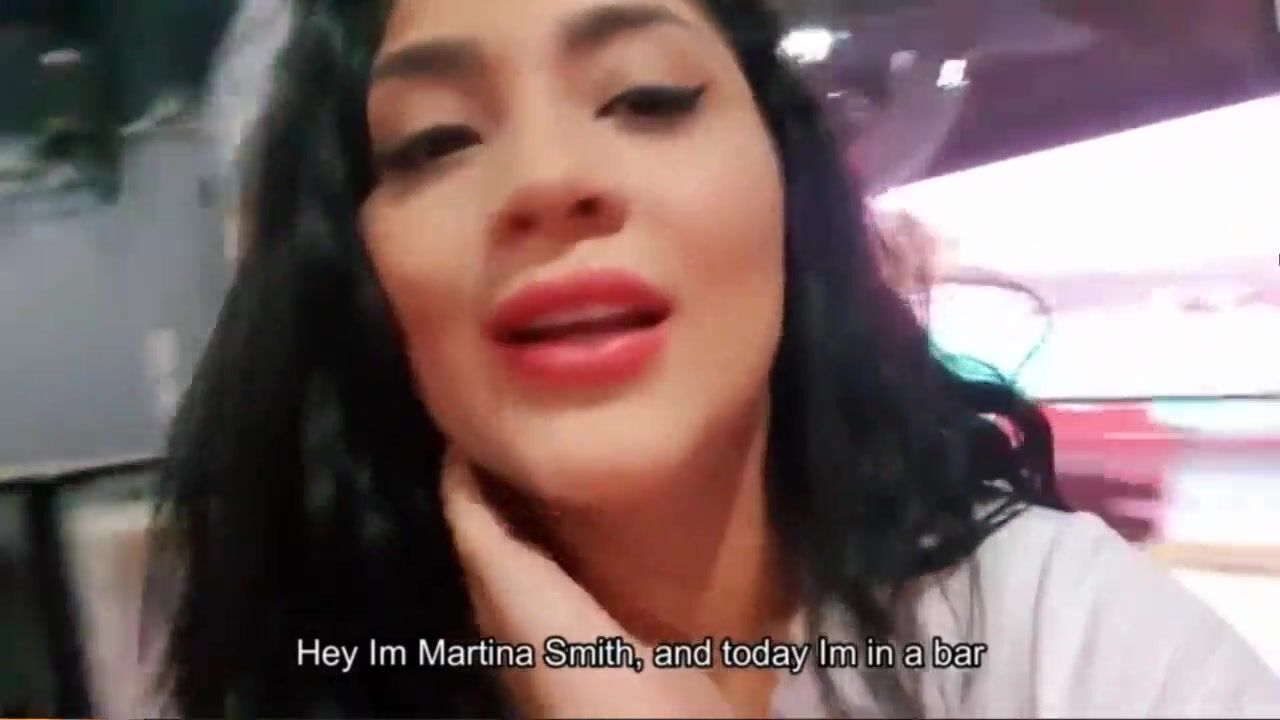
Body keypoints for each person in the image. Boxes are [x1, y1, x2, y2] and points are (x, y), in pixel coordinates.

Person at [145, 1, 1280, 717]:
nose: (547, 179)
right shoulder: (316, 677)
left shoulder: (1051, 641)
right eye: (437, 140)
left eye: (646, 97)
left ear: (788, 190)